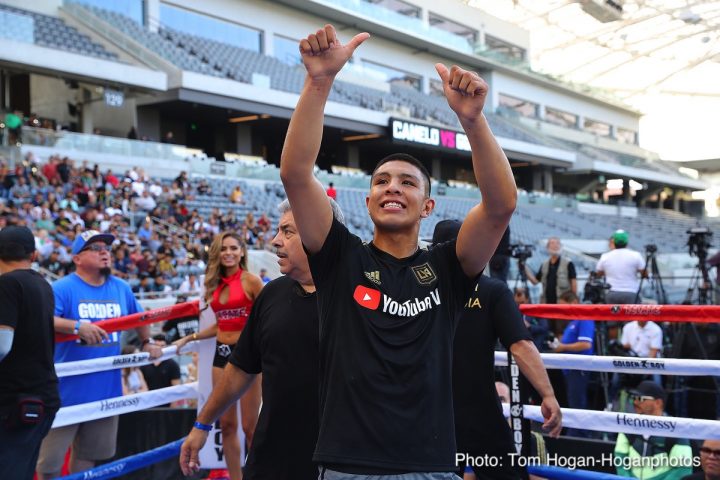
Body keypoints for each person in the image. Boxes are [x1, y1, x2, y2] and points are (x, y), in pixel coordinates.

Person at [280, 24, 516, 476]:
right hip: (349, 467)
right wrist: (318, 82)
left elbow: (501, 205)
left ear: (427, 206)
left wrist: (472, 121)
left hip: (429, 465)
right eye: (381, 182)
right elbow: (295, 173)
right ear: (367, 202)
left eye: (408, 182)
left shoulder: (448, 265)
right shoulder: (340, 257)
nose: (393, 188)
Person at [181, 199, 343, 478]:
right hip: (273, 457)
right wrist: (203, 423)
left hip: (341, 461)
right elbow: (242, 366)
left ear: (320, 231)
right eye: (279, 231)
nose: (275, 240)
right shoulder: (272, 294)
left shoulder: (358, 295)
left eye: (288, 232)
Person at [429, 220, 561, 480]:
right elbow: (521, 345)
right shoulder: (492, 290)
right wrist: (547, 394)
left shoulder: (415, 288)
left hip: (428, 412)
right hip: (478, 412)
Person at [36, 230, 162, 479]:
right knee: (49, 463)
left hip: (105, 390)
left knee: (88, 458)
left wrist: (147, 341)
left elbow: (141, 316)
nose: (104, 252)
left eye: (106, 247)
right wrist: (76, 326)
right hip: (65, 392)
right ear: (77, 258)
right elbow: (43, 318)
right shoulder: (62, 288)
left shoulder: (121, 287)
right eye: (95, 248)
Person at [174, 231, 263, 480]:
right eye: (224, 249)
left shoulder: (252, 281)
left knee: (250, 427)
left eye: (234, 248)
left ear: (242, 252)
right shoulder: (212, 285)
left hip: (248, 357)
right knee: (226, 426)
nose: (229, 253)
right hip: (220, 355)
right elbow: (222, 324)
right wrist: (189, 338)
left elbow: (267, 317)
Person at [0, 226, 59, 480]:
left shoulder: (7, 285)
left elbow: (2, 344)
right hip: (40, 397)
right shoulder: (43, 284)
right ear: (34, 255)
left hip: (15, 400)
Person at [614, 380, 693, 480]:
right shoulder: (628, 426)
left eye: (640, 399)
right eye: (634, 398)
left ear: (658, 403)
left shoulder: (677, 430)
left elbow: (683, 469)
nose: (635, 402)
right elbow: (620, 458)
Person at [553, 291, 594, 436]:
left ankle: (579, 437)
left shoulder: (584, 318)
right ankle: (575, 433)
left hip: (578, 369)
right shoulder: (573, 320)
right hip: (570, 369)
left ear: (574, 302)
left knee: (577, 404)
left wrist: (562, 347)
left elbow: (585, 344)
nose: (561, 310)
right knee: (573, 403)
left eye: (563, 306)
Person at [596, 229, 646, 304]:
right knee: (631, 316)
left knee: (613, 315)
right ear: (626, 242)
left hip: (612, 293)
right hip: (631, 292)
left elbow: (598, 273)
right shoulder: (636, 255)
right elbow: (645, 273)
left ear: (614, 242)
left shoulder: (605, 256)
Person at [525, 237, 577, 304]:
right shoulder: (544, 265)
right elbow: (535, 281)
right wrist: (524, 268)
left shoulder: (568, 263)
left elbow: (574, 285)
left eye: (558, 243)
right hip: (547, 303)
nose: (555, 245)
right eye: (552, 243)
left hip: (563, 304)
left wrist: (573, 301)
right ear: (547, 247)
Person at [140, 335, 181, 406]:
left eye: (162, 346)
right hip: (148, 405)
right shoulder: (144, 364)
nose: (159, 348)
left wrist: (173, 409)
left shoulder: (172, 365)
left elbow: (176, 388)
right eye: (156, 345)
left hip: (166, 406)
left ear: (166, 347)